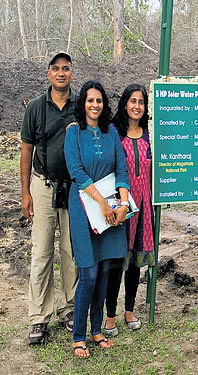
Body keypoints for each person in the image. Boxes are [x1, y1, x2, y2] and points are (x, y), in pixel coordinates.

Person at [64, 80, 130, 358]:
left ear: (104, 105)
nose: (95, 105)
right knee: (89, 273)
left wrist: (123, 205)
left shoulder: (112, 133)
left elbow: (122, 170)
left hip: (111, 210)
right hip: (84, 207)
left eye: (99, 101)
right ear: (83, 103)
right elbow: (76, 171)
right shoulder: (74, 133)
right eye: (90, 100)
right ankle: (78, 335)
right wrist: (101, 203)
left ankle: (97, 330)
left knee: (104, 271)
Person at [20, 51, 78, 345]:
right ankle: (39, 317)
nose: (60, 73)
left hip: (74, 188)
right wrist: (25, 193)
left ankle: (69, 309)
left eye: (65, 68)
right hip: (42, 186)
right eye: (55, 68)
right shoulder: (35, 107)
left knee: (71, 252)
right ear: (48, 74)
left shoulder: (80, 105)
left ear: (71, 73)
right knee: (42, 253)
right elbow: (26, 150)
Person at [104, 84, 154, 336]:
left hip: (143, 208)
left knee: (135, 262)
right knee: (116, 262)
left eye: (141, 102)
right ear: (125, 103)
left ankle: (130, 310)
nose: (137, 106)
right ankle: (110, 315)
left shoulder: (149, 134)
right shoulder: (114, 132)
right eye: (133, 101)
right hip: (121, 207)